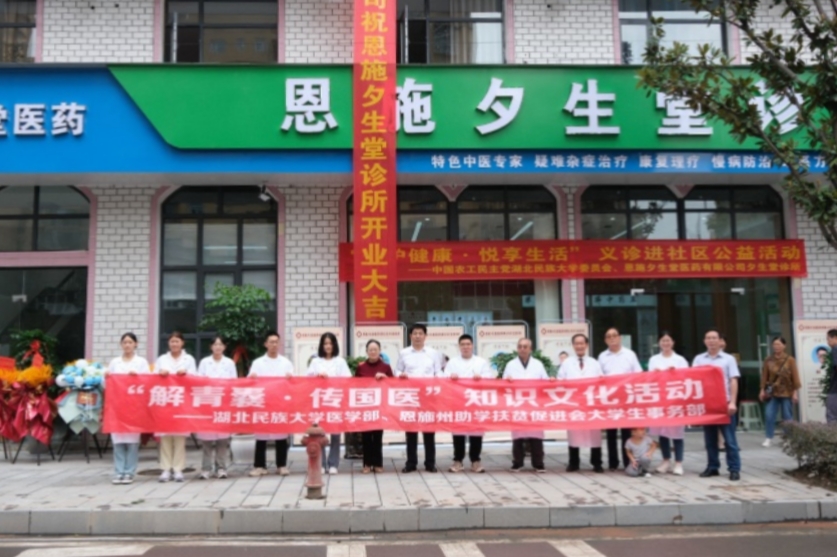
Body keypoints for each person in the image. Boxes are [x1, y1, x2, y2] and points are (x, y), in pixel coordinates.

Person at [693, 329, 741, 481]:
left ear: (720, 341)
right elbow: (692, 380)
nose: (711, 341)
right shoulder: (699, 359)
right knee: (710, 440)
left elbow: (733, 380)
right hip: (708, 405)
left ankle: (734, 469)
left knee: (730, 440)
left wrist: (733, 402)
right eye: (708, 338)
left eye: (714, 338)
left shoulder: (729, 359)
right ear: (704, 341)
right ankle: (712, 467)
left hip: (724, 404)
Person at [397, 324, 444, 473]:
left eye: (420, 333)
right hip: (410, 396)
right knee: (411, 431)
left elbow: (439, 372)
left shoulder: (433, 353)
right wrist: (400, 375)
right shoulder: (404, 353)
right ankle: (411, 463)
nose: (417, 336)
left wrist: (438, 381)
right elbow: (397, 370)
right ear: (410, 336)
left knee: (429, 430)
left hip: (428, 395)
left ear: (425, 336)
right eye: (415, 333)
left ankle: (430, 463)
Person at [105, 332, 151, 485]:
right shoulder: (115, 362)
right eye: (124, 342)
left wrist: (137, 376)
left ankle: (129, 472)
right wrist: (106, 377)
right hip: (117, 406)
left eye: (130, 342)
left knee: (132, 442)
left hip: (133, 406)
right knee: (118, 441)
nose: (127, 345)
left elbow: (148, 382)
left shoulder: (141, 362)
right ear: (121, 345)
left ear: (135, 344)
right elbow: (107, 385)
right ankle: (119, 472)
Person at [504, 337, 554, 472]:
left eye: (525, 346)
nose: (522, 349)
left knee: (536, 435)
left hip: (534, 404)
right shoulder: (510, 364)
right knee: (518, 436)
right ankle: (517, 462)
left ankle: (538, 463)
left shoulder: (538, 364)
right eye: (520, 346)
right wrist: (507, 380)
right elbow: (503, 383)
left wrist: (551, 380)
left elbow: (545, 381)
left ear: (530, 349)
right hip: (518, 404)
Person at [248, 331, 294, 476]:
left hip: (279, 403)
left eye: (276, 342)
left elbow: (292, 383)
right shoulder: (258, 363)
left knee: (281, 436)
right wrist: (252, 378)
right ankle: (259, 466)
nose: (274, 344)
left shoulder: (286, 362)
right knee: (261, 436)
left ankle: (281, 465)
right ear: (265, 344)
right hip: (263, 403)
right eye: (271, 342)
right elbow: (249, 381)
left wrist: (290, 378)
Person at [446, 334, 494, 474]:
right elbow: (444, 377)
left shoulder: (481, 362)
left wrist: (481, 377)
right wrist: (451, 376)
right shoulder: (452, 362)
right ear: (459, 346)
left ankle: (475, 461)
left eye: (468, 344)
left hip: (475, 401)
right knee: (458, 432)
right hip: (458, 400)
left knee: (476, 432)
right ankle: (458, 460)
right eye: (463, 344)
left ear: (472, 346)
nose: (465, 347)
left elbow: (489, 377)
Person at [306, 332, 352, 475]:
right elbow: (307, 380)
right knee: (319, 433)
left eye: (330, 343)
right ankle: (321, 463)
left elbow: (348, 379)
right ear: (321, 345)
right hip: (319, 401)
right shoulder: (315, 361)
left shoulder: (340, 361)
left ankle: (333, 464)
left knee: (335, 433)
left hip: (335, 401)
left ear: (334, 345)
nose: (328, 346)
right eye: (325, 343)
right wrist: (317, 377)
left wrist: (333, 380)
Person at [598, 327, 642, 470]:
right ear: (605, 340)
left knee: (626, 432)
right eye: (608, 336)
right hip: (609, 400)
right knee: (610, 432)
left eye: (614, 335)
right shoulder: (602, 356)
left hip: (626, 399)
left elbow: (639, 374)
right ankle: (613, 462)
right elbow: (598, 377)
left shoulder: (630, 354)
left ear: (620, 337)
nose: (612, 338)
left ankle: (627, 461)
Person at [559, 333, 604, 473]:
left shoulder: (594, 363)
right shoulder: (567, 363)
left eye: (582, 343)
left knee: (594, 434)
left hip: (591, 404)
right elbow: (560, 381)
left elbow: (602, 381)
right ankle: (574, 462)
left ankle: (597, 463)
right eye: (576, 343)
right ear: (573, 346)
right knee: (574, 433)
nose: (579, 346)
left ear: (586, 345)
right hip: (574, 403)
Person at [155, 331, 197, 483]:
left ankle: (178, 469)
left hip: (181, 402)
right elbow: (152, 378)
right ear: (168, 343)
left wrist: (186, 373)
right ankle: (166, 469)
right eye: (172, 341)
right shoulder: (162, 359)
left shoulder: (189, 359)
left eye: (177, 341)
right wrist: (160, 373)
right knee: (165, 438)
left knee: (179, 438)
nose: (174, 344)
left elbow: (195, 378)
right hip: (165, 402)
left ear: (182, 343)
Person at [195, 336, 237, 479]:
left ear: (224, 347)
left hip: (223, 404)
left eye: (220, 344)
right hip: (208, 403)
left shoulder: (229, 363)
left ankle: (221, 468)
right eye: (215, 344)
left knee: (222, 440)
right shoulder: (204, 362)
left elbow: (234, 382)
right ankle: (206, 469)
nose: (218, 347)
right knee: (207, 440)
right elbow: (198, 381)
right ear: (211, 347)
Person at [648, 332, 690, 476]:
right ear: (659, 343)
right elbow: (649, 379)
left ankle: (678, 462)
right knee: (663, 433)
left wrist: (675, 373)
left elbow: (687, 377)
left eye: (668, 340)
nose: (666, 343)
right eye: (663, 340)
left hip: (675, 400)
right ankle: (665, 460)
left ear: (673, 342)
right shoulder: (654, 359)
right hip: (660, 400)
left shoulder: (680, 360)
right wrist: (656, 374)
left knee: (677, 433)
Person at [355, 339, 393, 474]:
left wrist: (385, 377)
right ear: (366, 351)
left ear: (379, 351)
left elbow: (393, 384)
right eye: (370, 349)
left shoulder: (386, 367)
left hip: (380, 406)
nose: (373, 352)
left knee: (377, 435)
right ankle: (367, 463)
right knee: (366, 436)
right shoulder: (361, 367)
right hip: (365, 405)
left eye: (375, 349)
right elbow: (355, 385)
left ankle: (377, 463)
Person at [759, 337, 801, 447]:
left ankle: (788, 438)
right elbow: (764, 376)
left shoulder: (790, 360)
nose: (776, 347)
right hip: (772, 392)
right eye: (774, 344)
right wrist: (762, 390)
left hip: (787, 392)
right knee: (769, 414)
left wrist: (795, 392)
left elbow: (795, 377)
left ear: (784, 346)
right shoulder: (768, 360)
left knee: (787, 415)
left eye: (778, 344)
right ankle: (769, 437)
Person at [826, 329, 837, 424]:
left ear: (835, 338)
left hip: (835, 389)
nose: (827, 342)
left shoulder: (835, 349)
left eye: (828, 339)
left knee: (832, 417)